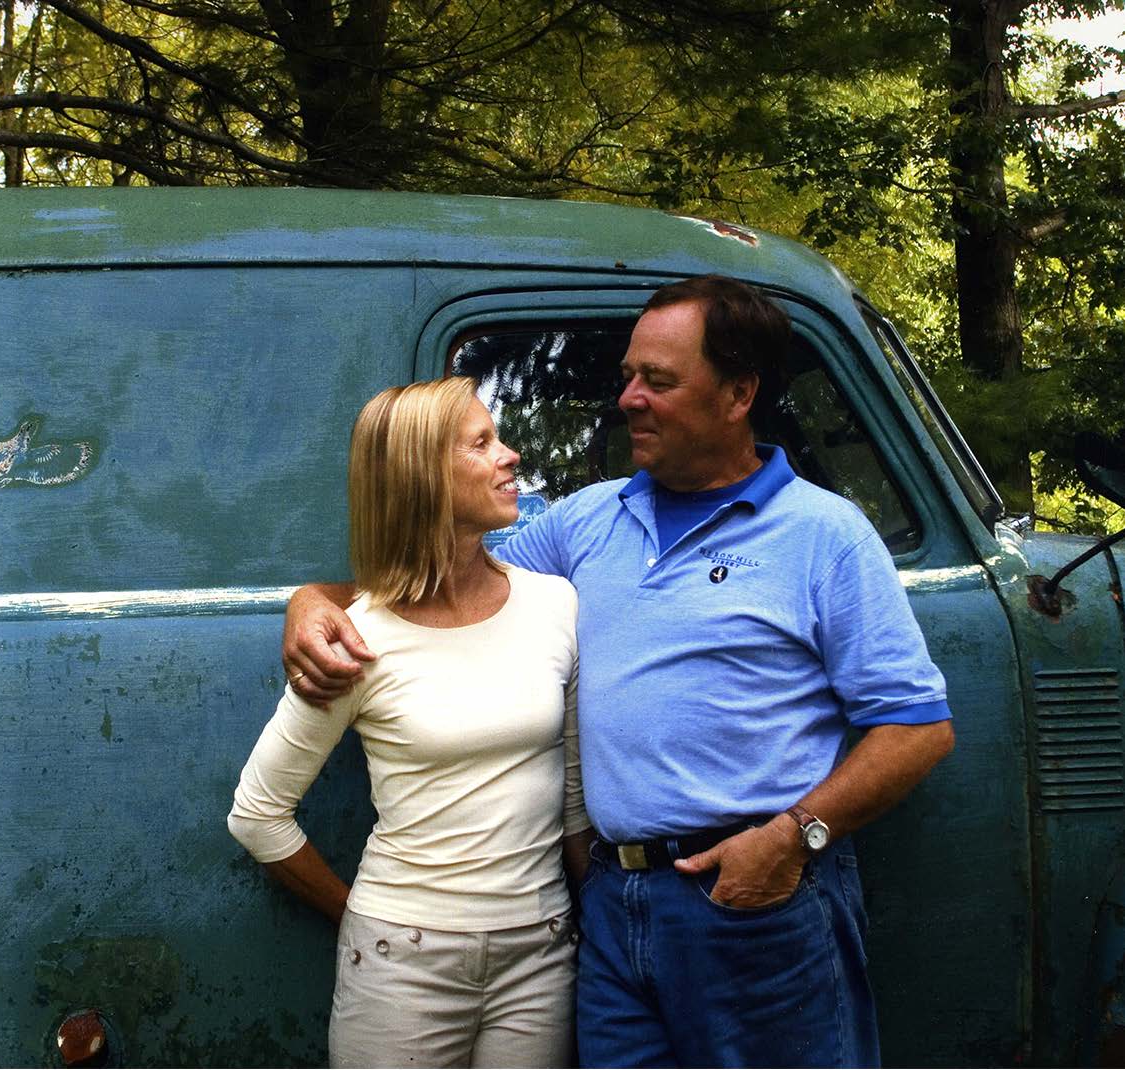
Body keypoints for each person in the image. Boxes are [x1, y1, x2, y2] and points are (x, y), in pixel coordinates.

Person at [280, 275, 956, 1068]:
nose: (628, 398)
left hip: (754, 899)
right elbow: (431, 588)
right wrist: (314, 600)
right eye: (629, 375)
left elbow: (918, 727)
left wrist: (791, 838)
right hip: (610, 905)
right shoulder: (587, 519)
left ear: (738, 393)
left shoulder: (824, 534)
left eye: (658, 381)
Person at [227, 376, 592, 1069]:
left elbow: (571, 801)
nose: (510, 456)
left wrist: (599, 924)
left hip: (541, 957)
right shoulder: (357, 638)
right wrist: (361, 920)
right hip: (401, 961)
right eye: (483, 443)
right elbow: (258, 815)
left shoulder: (554, 605)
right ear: (424, 475)